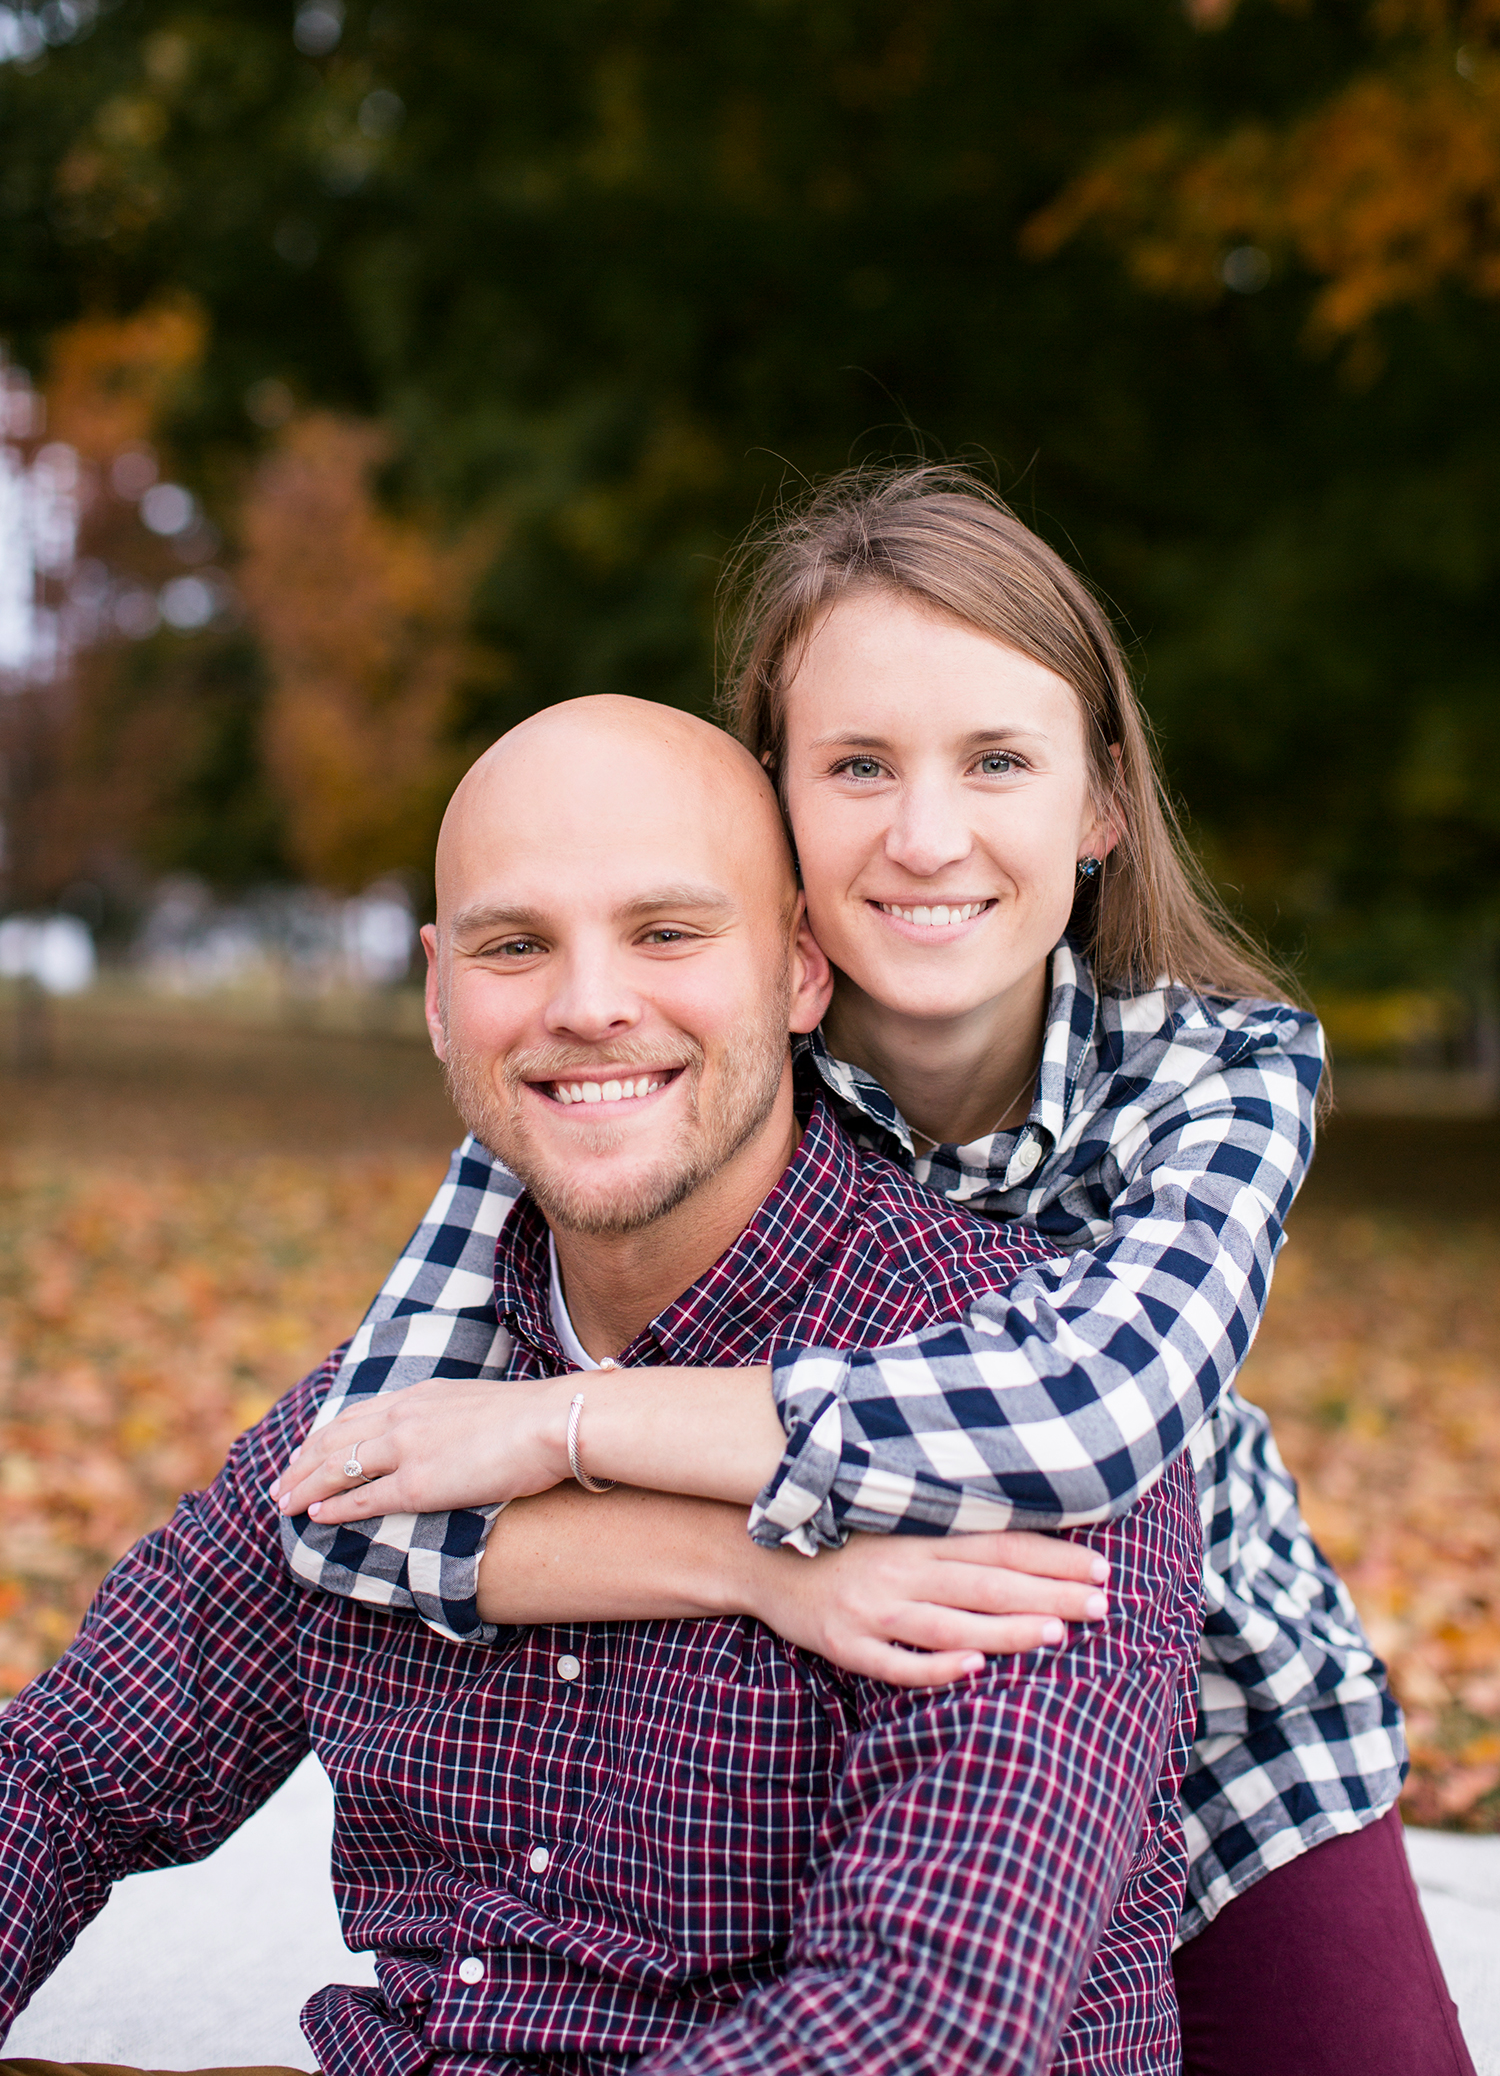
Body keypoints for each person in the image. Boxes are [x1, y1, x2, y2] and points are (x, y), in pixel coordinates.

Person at [278, 469, 1474, 2076]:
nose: (925, 834)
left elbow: (1090, 1412)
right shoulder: (664, 1059)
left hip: (1207, 1691)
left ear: (1100, 803)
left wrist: (569, 1426)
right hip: (876, 1680)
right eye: (855, 766)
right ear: (772, 804)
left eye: (997, 760)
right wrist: (753, 1568)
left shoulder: (1224, 1071)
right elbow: (362, 1496)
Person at [1, 698, 1202, 2076]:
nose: (589, 1004)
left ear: (801, 969)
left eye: (668, 932)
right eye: (518, 946)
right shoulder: (410, 1390)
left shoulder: (1009, 1400)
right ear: (442, 993)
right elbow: (64, 1771)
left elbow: (920, 2022)